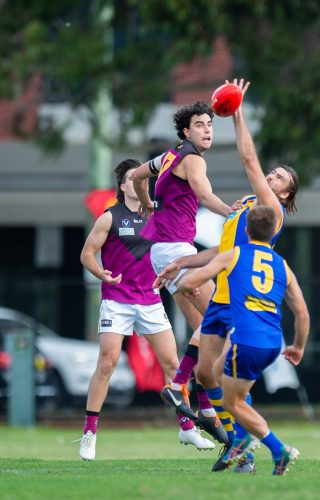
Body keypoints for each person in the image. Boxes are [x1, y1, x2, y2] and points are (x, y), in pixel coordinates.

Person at [154, 79, 299, 472]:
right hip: (220, 292)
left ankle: (244, 445)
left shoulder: (271, 208)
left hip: (237, 298)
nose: (271, 177)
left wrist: (238, 115)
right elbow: (222, 251)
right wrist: (183, 263)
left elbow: (249, 161)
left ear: (285, 196)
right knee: (207, 372)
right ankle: (236, 440)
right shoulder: (248, 208)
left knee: (227, 380)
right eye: (273, 174)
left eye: (280, 179)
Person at [79, 159, 214, 461]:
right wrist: (101, 273)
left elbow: (171, 253)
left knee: (173, 364)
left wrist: (184, 280)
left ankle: (187, 427)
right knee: (107, 364)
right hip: (117, 300)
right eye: (131, 178)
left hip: (151, 300)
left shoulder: (157, 216)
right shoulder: (109, 217)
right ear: (123, 185)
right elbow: (87, 254)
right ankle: (89, 432)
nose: (139, 181)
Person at [132, 101, 238, 445]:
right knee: (221, 320)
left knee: (203, 330)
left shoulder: (168, 156)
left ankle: (204, 409)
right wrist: (232, 213)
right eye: (200, 124)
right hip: (177, 250)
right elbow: (205, 195)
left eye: (210, 123)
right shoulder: (192, 159)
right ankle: (179, 385)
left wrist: (146, 203)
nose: (208, 129)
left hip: (164, 252)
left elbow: (135, 176)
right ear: (185, 132)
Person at [178, 205, 310, 475]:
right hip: (273, 342)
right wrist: (298, 346)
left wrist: (187, 287)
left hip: (247, 342)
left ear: (246, 230)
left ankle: (276, 449)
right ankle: (243, 441)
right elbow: (302, 313)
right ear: (273, 231)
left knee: (231, 402)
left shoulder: (235, 254)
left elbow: (191, 281)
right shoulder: (281, 263)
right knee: (212, 372)